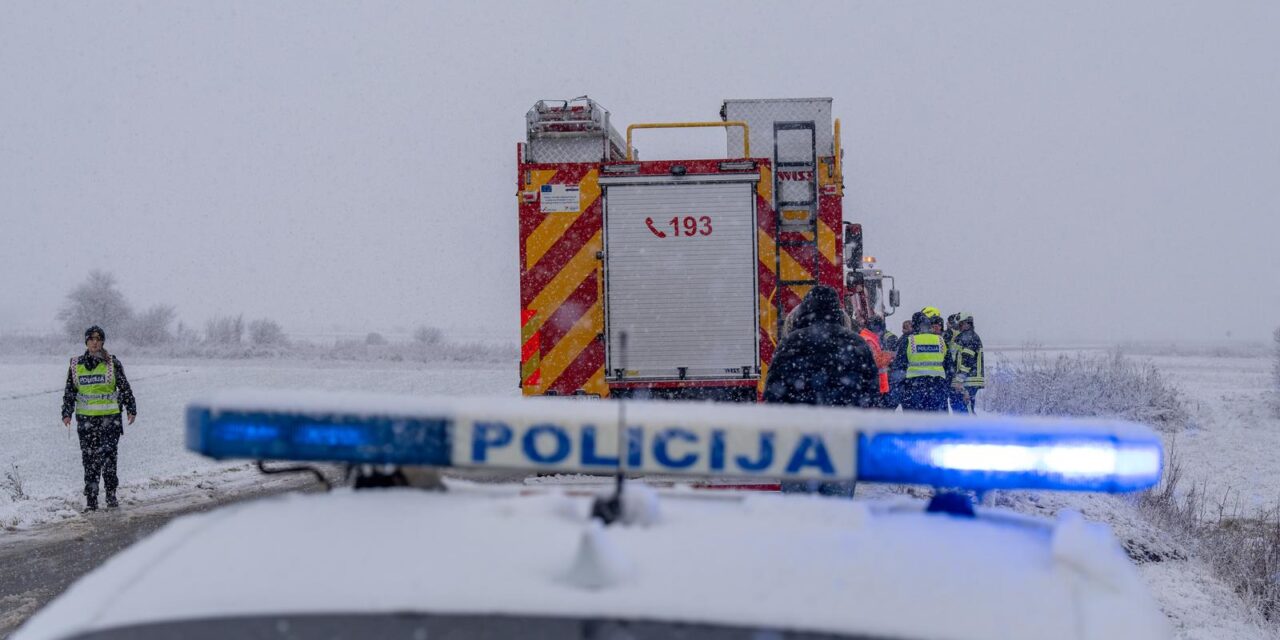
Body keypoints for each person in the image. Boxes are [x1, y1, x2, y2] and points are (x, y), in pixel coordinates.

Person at [765, 287, 878, 497]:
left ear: (805, 310)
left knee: (799, 508)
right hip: (841, 437)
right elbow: (870, 394)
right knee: (837, 506)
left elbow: (773, 393)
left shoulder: (790, 343)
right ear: (838, 311)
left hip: (798, 439)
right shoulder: (856, 344)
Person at [61, 326, 136, 512]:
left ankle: (111, 495)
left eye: (98, 338)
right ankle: (92, 499)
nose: (95, 342)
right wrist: (66, 412)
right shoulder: (75, 364)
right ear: (86, 342)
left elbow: (124, 387)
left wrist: (131, 408)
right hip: (86, 422)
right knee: (90, 459)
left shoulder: (112, 363)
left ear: (103, 342)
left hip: (110, 421)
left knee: (109, 459)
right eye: (91, 338)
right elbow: (70, 391)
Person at [895, 311, 948, 412]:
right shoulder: (941, 340)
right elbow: (949, 365)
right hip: (937, 386)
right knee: (937, 421)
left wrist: (901, 386)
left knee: (915, 421)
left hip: (914, 386)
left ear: (914, 325)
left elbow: (900, 365)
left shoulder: (909, 341)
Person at [950, 312, 985, 413]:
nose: (959, 327)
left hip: (968, 380)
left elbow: (967, 360)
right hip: (967, 380)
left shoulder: (969, 337)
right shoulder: (966, 336)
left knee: (965, 411)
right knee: (962, 410)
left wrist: (959, 380)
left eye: (960, 324)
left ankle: (970, 428)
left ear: (967, 323)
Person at [886, 319, 914, 410]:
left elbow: (898, 357)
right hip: (904, 374)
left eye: (906, 327)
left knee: (893, 402)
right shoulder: (905, 339)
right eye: (903, 328)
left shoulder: (906, 339)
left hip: (901, 373)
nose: (903, 330)